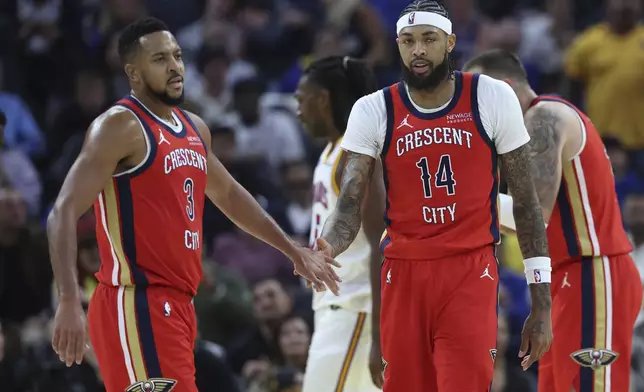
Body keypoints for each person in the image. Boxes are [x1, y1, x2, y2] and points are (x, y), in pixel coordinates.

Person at [46, 17, 341, 392]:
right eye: (160, 59)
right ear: (133, 73)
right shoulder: (120, 126)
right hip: (137, 303)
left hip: (181, 304)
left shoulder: (194, 128)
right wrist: (70, 299)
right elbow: (63, 212)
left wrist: (292, 250)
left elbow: (230, 195)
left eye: (177, 55)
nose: (174, 66)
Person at [315, 1, 554, 391]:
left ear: (450, 42)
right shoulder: (374, 109)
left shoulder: (490, 96)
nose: (418, 50)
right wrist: (327, 247)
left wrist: (541, 303)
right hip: (403, 273)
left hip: (468, 270)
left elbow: (526, 203)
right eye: (408, 41)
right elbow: (348, 205)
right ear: (398, 46)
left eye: (429, 39)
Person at [463, 49, 642, 392]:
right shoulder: (526, 131)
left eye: (477, 101)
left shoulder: (544, 117)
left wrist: (449, 206)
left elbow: (534, 216)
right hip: (563, 277)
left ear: (502, 88)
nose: (473, 114)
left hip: (593, 273)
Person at [294, 56, 386, 392]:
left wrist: (380, 335)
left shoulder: (355, 155)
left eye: (301, 100)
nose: (298, 111)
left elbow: (382, 243)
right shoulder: (331, 152)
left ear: (323, 99)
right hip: (336, 312)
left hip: (357, 311)